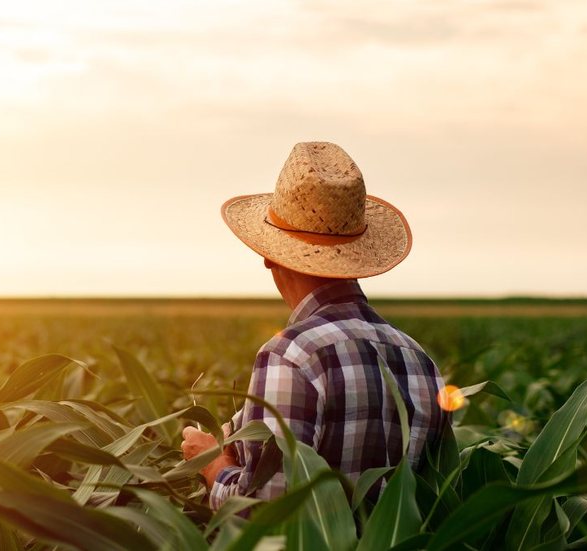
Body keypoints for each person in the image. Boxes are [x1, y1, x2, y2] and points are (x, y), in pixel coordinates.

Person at [181, 142, 448, 509]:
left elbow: (264, 513)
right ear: (359, 257)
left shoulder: (291, 354)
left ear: (268, 257)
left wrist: (214, 465)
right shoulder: (420, 361)